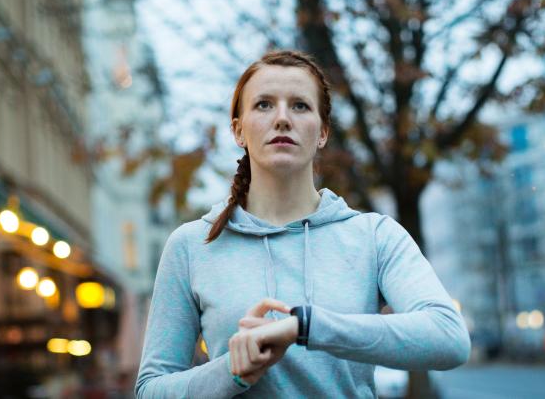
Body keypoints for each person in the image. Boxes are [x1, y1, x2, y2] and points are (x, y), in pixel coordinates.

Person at [135, 50, 470, 398]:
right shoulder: (192, 245)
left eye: (300, 106)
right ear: (238, 130)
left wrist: (306, 327)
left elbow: (448, 337)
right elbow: (150, 389)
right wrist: (231, 372)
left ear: (322, 132)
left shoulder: (374, 236)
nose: (282, 118)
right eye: (264, 105)